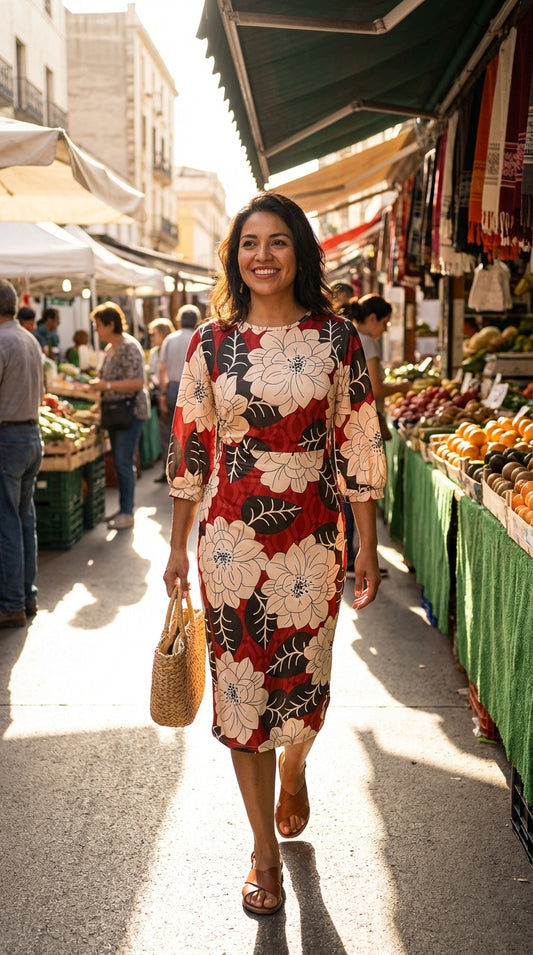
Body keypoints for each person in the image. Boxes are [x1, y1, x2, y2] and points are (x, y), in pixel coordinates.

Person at [162, 192, 386, 916]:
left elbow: (358, 439)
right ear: (234, 256)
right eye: (249, 243)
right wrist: (176, 548)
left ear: (300, 252)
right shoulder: (210, 343)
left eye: (278, 241)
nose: (262, 255)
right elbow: (190, 446)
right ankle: (263, 852)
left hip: (313, 540)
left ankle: (294, 764)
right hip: (230, 542)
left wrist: (366, 544)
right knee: (241, 696)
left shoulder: (337, 339)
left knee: (303, 687)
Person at [343, 294, 412, 575]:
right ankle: (354, 556)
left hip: (349, 424)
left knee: (349, 490)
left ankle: (350, 556)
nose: (384, 330)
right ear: (372, 318)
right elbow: (375, 387)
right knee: (359, 489)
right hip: (364, 424)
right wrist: (404, 387)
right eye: (384, 323)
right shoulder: (366, 341)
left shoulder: (347, 334)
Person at [0, 279, 44, 628]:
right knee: (24, 518)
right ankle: (27, 596)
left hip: (8, 437)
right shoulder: (29, 339)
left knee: (8, 522)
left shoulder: (3, 341)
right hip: (31, 435)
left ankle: (12, 603)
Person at [89, 301, 150, 530]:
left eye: (98, 325)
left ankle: (127, 512)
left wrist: (106, 386)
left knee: (123, 461)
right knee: (119, 460)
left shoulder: (129, 347)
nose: (96, 330)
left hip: (130, 412)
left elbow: (137, 383)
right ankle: (124, 508)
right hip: (115, 413)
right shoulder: (110, 349)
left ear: (110, 324)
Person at [156, 304, 200, 482]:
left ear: (179, 321)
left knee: (170, 431)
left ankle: (169, 471)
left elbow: (162, 369)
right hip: (195, 388)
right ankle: (191, 469)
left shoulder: (170, 339)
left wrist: (162, 393)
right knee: (192, 431)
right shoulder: (199, 337)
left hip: (174, 388)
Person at [145, 317, 174, 479]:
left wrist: (162, 394)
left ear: (162, 334)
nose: (151, 338)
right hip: (159, 393)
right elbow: (152, 372)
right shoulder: (154, 352)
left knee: (172, 433)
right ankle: (167, 469)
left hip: (168, 393)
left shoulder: (170, 347)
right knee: (165, 435)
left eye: (153, 334)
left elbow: (164, 372)